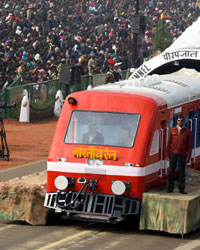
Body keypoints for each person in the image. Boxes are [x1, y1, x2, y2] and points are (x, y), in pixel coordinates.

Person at [167, 115, 192, 194]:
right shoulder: (172, 130)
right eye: (178, 120)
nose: (180, 122)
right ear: (177, 121)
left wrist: (189, 156)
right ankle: (170, 188)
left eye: (181, 120)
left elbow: (190, 145)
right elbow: (169, 142)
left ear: (184, 121)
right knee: (171, 171)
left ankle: (182, 189)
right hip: (173, 153)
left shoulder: (188, 131)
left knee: (182, 171)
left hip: (182, 154)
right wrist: (167, 154)